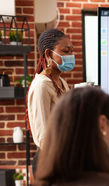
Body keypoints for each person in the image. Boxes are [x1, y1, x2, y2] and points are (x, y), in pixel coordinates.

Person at [27, 29, 74, 175]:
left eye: (71, 51)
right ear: (48, 54)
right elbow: (43, 136)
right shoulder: (42, 86)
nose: (70, 56)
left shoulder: (62, 83)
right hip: (50, 161)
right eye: (65, 51)